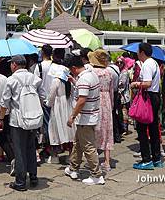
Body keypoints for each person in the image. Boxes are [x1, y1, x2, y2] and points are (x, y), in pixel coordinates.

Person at [0, 55, 42, 191]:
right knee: (31, 147)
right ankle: (33, 176)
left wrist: (0, 119)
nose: (10, 66)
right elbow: (43, 96)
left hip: (17, 120)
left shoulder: (11, 80)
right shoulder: (35, 78)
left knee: (19, 150)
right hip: (33, 118)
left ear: (15, 64)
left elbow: (5, 102)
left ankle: (20, 181)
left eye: (11, 64)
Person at [64, 54, 105, 185]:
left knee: (88, 147)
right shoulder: (90, 74)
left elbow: (82, 100)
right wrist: (75, 82)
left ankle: (96, 175)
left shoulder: (84, 79)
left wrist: (72, 116)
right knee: (78, 143)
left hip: (85, 118)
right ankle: (73, 168)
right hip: (90, 116)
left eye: (71, 69)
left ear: (74, 68)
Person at [131, 43, 163, 170]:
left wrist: (136, 84)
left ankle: (146, 159)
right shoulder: (154, 63)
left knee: (142, 129)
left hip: (147, 98)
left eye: (138, 51)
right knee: (154, 128)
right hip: (154, 97)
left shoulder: (147, 65)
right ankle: (156, 158)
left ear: (142, 52)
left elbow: (147, 83)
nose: (137, 54)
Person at [46, 58, 75, 164]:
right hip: (68, 106)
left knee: (55, 129)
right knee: (69, 131)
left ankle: (55, 156)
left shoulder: (56, 81)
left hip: (57, 107)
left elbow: (51, 96)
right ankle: (71, 156)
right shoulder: (68, 81)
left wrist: (48, 104)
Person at [90, 49, 115, 171]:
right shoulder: (108, 73)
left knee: (94, 129)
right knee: (107, 130)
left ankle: (93, 159)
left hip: (95, 100)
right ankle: (107, 161)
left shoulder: (92, 72)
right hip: (106, 101)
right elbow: (111, 91)